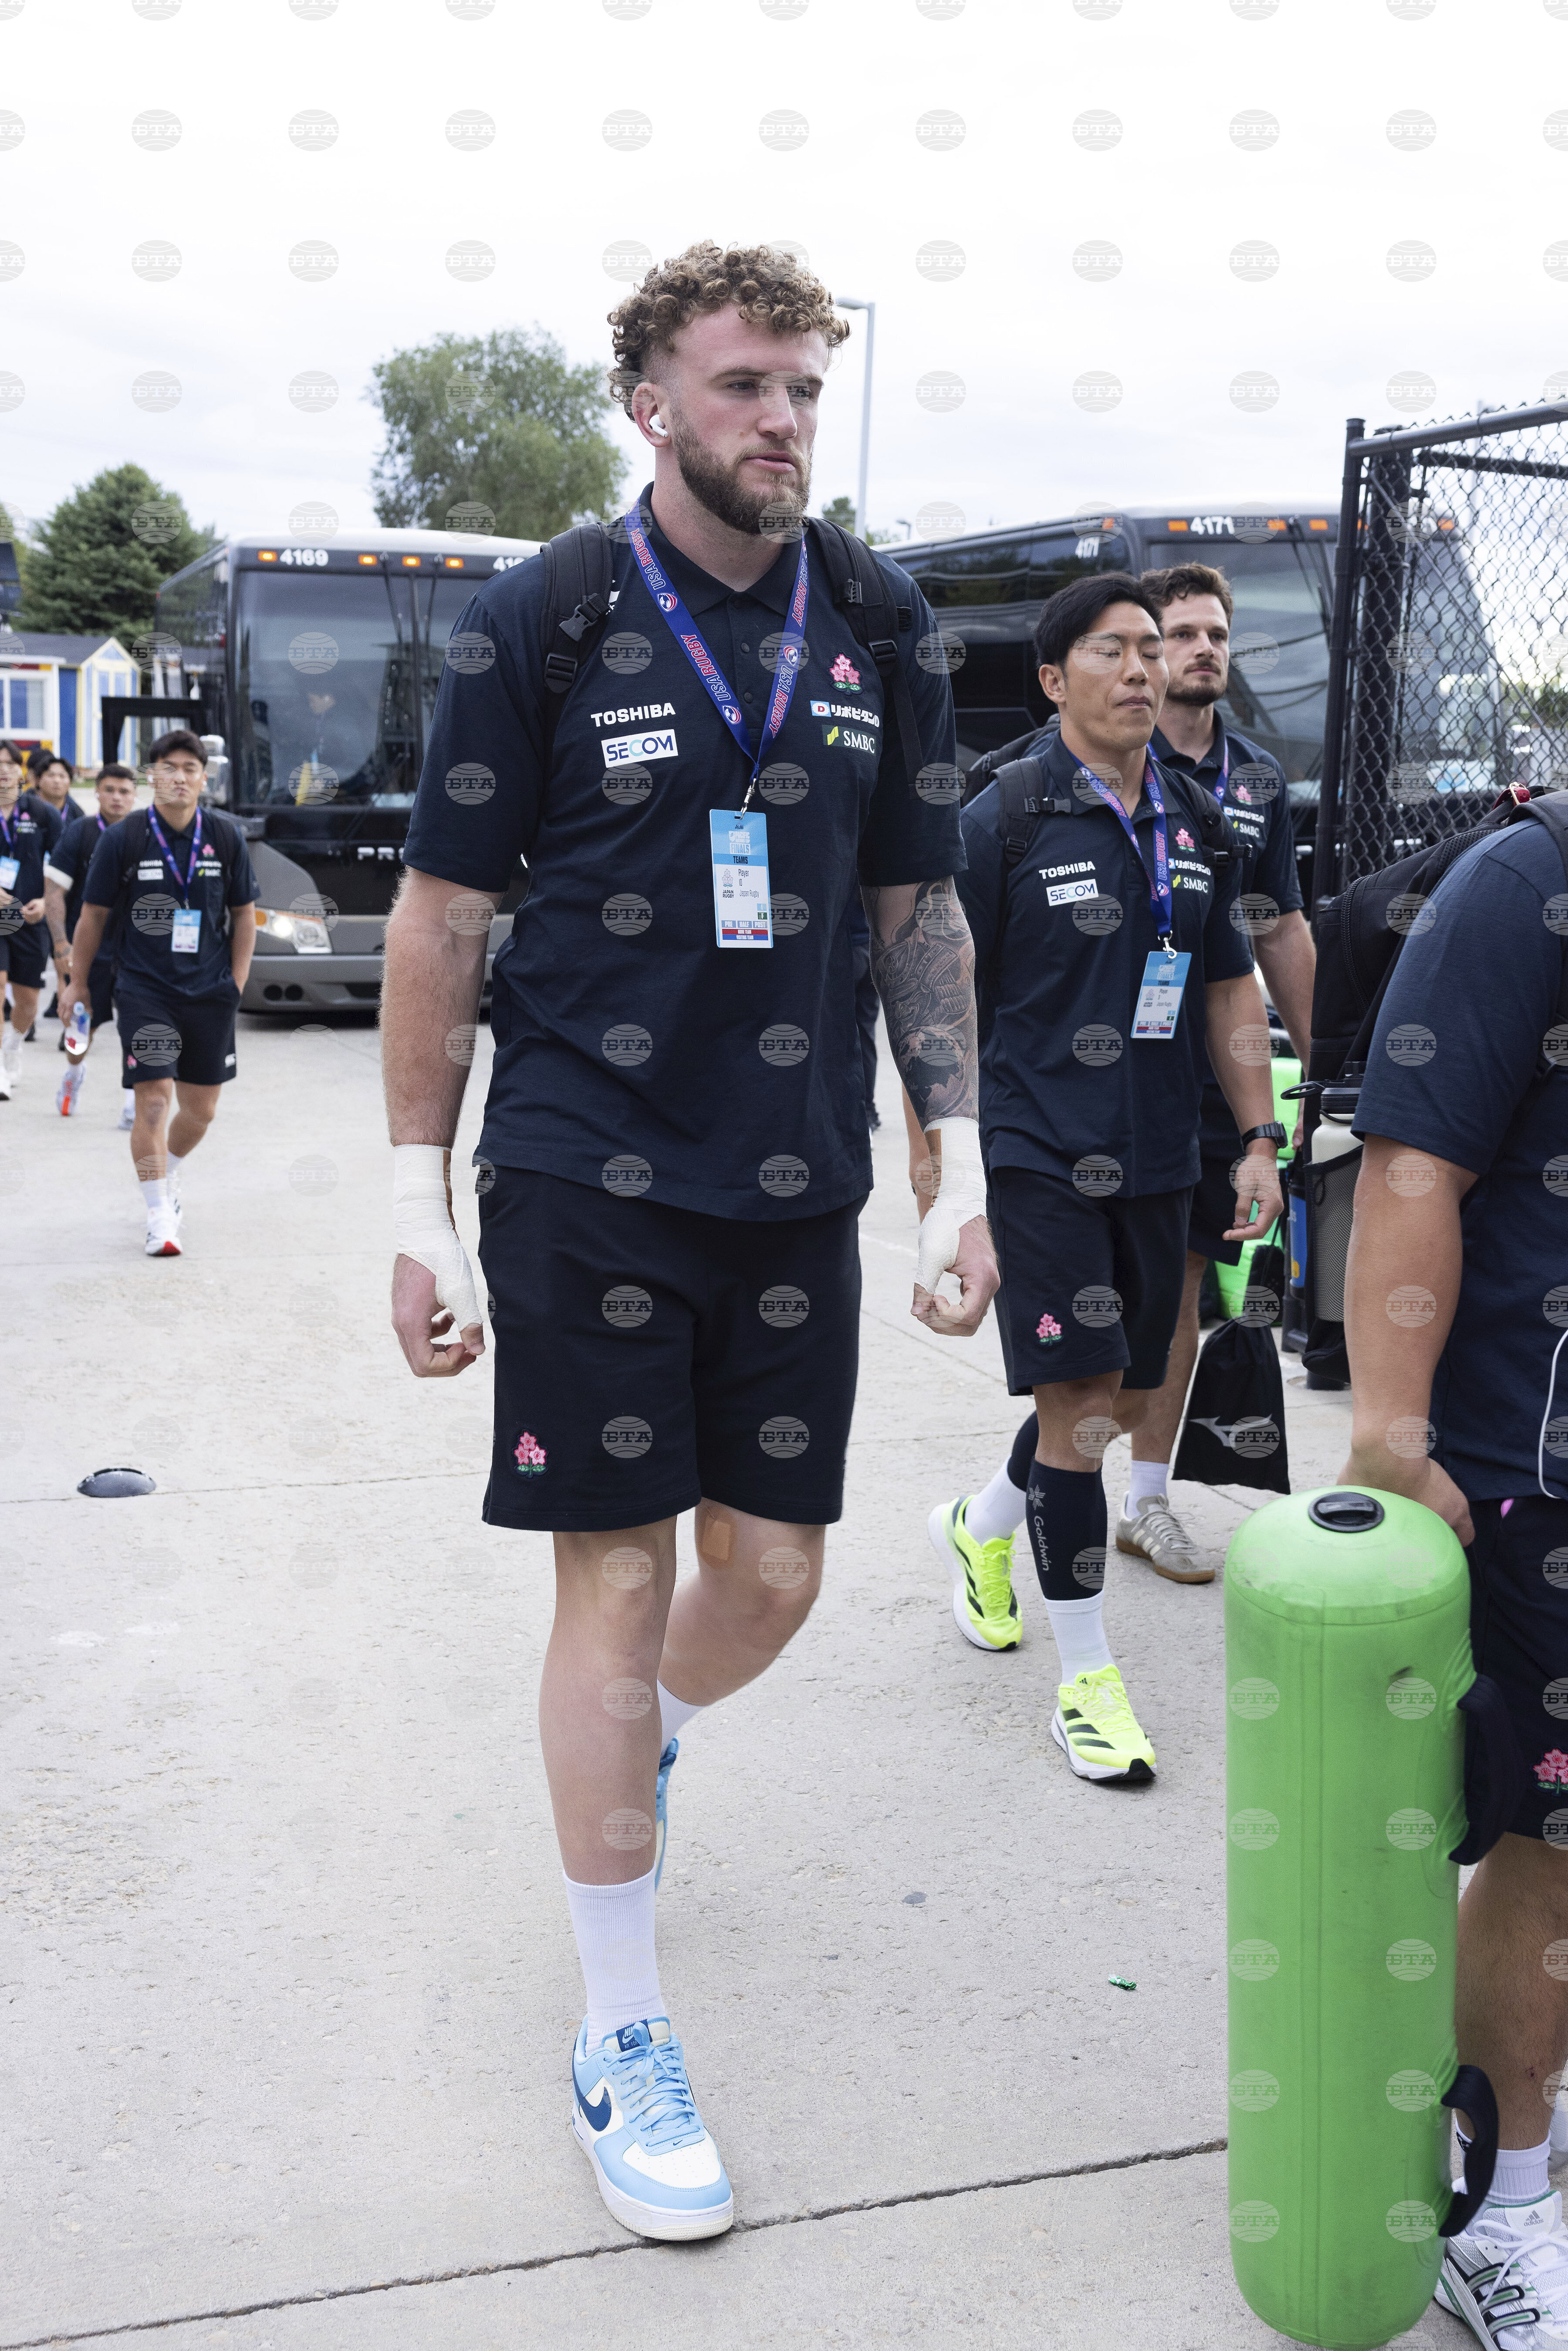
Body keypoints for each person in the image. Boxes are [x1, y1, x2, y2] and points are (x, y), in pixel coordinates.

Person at [382, 241, 998, 2243]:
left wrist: (959, 1152)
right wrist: (417, 1194)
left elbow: (914, 909)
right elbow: (443, 919)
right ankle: (622, 2022)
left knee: (781, 1572)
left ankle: (639, 1742)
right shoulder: (544, 621)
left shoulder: (881, 619)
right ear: (652, 401)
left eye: (806, 388)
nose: (783, 423)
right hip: (581, 1156)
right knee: (619, 1582)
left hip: (794, 1168)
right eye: (745, 386)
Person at [926, 574, 1283, 1785]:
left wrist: (1258, 1138)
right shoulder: (1003, 817)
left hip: (1156, 1149)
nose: (1140, 669)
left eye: (1151, 649)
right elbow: (939, 1002)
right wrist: (951, 1186)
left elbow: (1231, 982)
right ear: (1052, 679)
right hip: (1034, 1151)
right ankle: (1087, 1675)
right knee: (1082, 1393)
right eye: (1113, 651)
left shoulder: (1197, 821)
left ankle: (981, 1524)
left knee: (1113, 1400)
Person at [1338, 802, 1568, 2337]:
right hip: (1531, 1454)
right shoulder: (1527, 877)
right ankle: (1510, 2196)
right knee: (1549, 1836)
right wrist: (1392, 1433)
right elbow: (1413, 1161)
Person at [1110, 562, 1316, 1578]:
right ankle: (1021, 1493)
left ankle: (1145, 1501)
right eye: (1178, 633)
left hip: (1211, 1084)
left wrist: (1322, 1073)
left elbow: (1277, 929)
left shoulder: (1258, 784)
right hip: (1096, 1084)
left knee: (1184, 1292)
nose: (1200, 651)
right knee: (1105, 1309)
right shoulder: (1096, 767)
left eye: (1213, 636)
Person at [62, 731, 257, 1255]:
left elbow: (243, 916)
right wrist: (77, 984)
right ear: (152, 776)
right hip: (145, 989)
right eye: (168, 767)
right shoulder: (123, 839)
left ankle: (165, 1177)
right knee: (152, 1103)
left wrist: (236, 984)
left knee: (201, 1111)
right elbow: (94, 915)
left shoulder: (225, 836)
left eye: (189, 768)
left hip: (211, 991)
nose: (178, 777)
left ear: (203, 777)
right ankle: (158, 1216)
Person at [44, 761, 138, 1119]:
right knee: (84, 1026)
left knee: (137, 1021)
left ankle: (134, 1095)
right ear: (97, 792)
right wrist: (62, 944)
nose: (117, 798)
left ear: (134, 797)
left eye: (125, 791)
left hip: (135, 950)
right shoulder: (80, 832)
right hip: (90, 946)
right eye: (110, 790)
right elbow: (54, 892)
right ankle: (73, 1073)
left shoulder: (144, 833)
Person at [0, 734, 63, 1096]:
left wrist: (44, 899)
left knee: (27, 1000)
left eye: (10, 765)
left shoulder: (42, 813)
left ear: (20, 770)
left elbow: (62, 868)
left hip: (28, 916)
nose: (4, 772)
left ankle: (14, 1044)